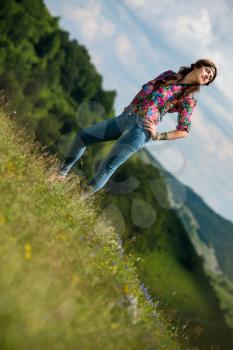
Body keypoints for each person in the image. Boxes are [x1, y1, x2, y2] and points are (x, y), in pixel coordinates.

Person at [54, 58, 217, 197]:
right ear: (198, 65)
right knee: (83, 137)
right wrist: (131, 105)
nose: (207, 76)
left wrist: (157, 136)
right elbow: (147, 87)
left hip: (141, 130)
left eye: (210, 78)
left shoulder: (188, 100)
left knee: (106, 167)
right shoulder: (169, 75)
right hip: (126, 118)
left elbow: (184, 130)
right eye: (207, 71)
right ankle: (59, 175)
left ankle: (75, 201)